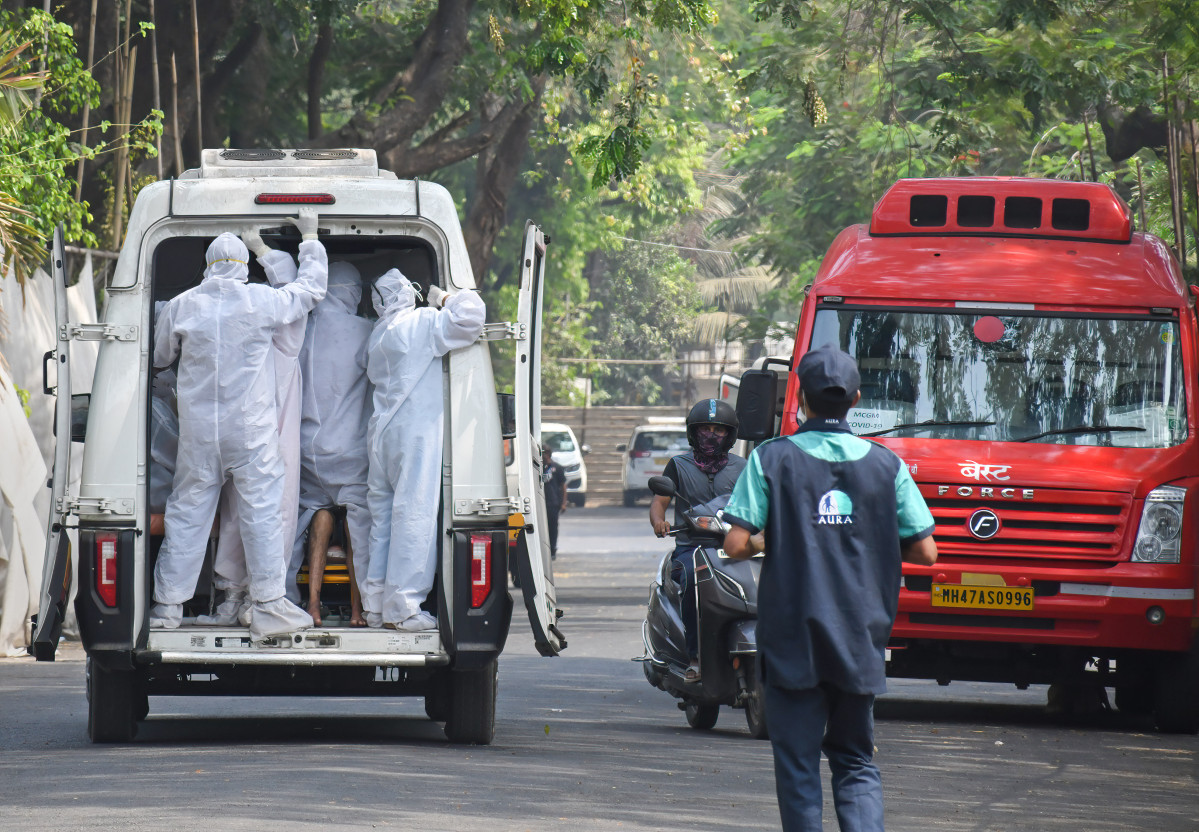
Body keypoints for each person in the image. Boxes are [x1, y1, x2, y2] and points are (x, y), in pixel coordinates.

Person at [722, 344, 938, 832]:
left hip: (792, 639)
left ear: (800, 400)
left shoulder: (771, 459)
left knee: (798, 765)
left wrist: (771, 535)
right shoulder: (887, 466)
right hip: (859, 637)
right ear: (855, 398)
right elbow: (926, 552)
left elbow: (736, 544)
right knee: (856, 760)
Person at [148, 222, 327, 642]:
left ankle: (167, 608)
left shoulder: (182, 305)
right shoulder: (260, 301)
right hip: (249, 434)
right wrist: (311, 239)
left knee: (187, 516)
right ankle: (267, 606)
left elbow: (159, 357)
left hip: (198, 437)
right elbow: (310, 292)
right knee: (261, 514)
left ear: (208, 266)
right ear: (245, 266)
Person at [363, 271, 486, 630]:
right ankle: (403, 609)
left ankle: (374, 606)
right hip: (415, 434)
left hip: (381, 436)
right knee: (413, 516)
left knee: (382, 523)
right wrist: (446, 299)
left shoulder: (376, 336)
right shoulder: (422, 322)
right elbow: (472, 318)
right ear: (409, 294)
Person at [197, 232, 307, 626]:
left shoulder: (285, 328)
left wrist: (262, 251)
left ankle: (264, 598)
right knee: (237, 512)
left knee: (274, 512)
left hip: (274, 433)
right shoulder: (250, 322)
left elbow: (292, 286)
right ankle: (234, 594)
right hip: (248, 434)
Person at [287, 261, 373, 627]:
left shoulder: (299, 328)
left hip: (306, 455)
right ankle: (361, 610)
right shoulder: (367, 331)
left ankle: (306, 603)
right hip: (351, 458)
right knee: (360, 527)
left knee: (309, 519)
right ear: (352, 292)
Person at [648, 397, 745, 682]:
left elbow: (758, 504)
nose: (711, 436)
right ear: (693, 432)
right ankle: (695, 656)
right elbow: (659, 501)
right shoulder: (678, 465)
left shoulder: (743, 468)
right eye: (705, 429)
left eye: (719, 430)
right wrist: (659, 522)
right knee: (694, 581)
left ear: (730, 435)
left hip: (732, 548)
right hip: (692, 549)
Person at [541, 446, 567, 560]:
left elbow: (563, 486)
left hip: (553, 502)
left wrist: (563, 503)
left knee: (553, 527)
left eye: (546, 453)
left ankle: (552, 549)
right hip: (541, 502)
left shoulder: (557, 468)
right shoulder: (538, 468)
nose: (544, 456)